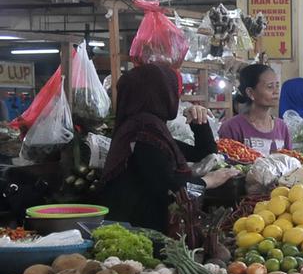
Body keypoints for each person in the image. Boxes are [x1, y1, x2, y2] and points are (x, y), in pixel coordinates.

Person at [102, 64, 239, 232]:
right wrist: (208, 182)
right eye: (175, 91)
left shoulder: (145, 126)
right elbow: (170, 188)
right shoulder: (144, 130)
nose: (177, 97)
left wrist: (199, 122)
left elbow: (203, 154)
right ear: (161, 93)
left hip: (138, 223)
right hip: (140, 228)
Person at [219, 64, 293, 155]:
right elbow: (226, 165)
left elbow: (290, 163)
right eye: (270, 87)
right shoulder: (232, 127)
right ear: (250, 92)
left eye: (277, 86)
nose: (276, 92)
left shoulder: (282, 127)